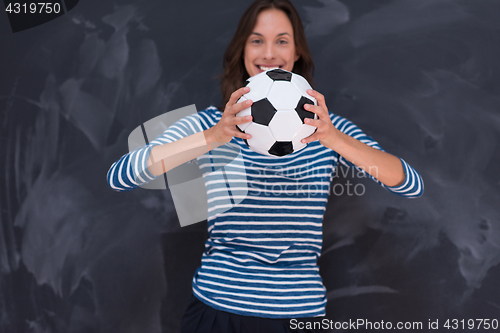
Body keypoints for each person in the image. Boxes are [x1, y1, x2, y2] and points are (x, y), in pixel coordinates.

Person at [107, 0, 424, 332]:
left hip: (298, 313)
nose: (269, 53)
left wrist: (333, 139)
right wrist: (213, 138)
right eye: (257, 40)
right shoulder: (211, 125)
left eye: (282, 40)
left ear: (297, 52)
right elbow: (121, 176)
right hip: (217, 309)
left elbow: (410, 184)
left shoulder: (329, 128)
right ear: (242, 51)